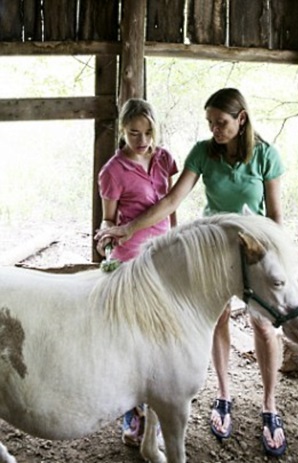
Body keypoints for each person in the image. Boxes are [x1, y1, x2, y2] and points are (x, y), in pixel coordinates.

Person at [95, 88, 287, 457]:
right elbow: (171, 201)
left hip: (254, 251)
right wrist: (124, 231)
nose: (215, 129)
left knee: (264, 325)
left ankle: (269, 405)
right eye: (210, 123)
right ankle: (223, 395)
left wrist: (274, 259)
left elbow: (275, 217)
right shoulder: (202, 152)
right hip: (214, 250)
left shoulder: (266, 155)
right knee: (217, 321)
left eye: (222, 123)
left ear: (241, 119)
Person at [95, 97, 178, 447]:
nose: (142, 140)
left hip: (164, 255)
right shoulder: (112, 171)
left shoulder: (164, 159)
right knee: (131, 338)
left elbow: (171, 208)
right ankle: (132, 413)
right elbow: (109, 219)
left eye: (147, 132)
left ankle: (156, 410)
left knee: (160, 336)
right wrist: (104, 240)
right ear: (122, 130)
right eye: (133, 133)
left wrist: (177, 241)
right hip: (130, 257)